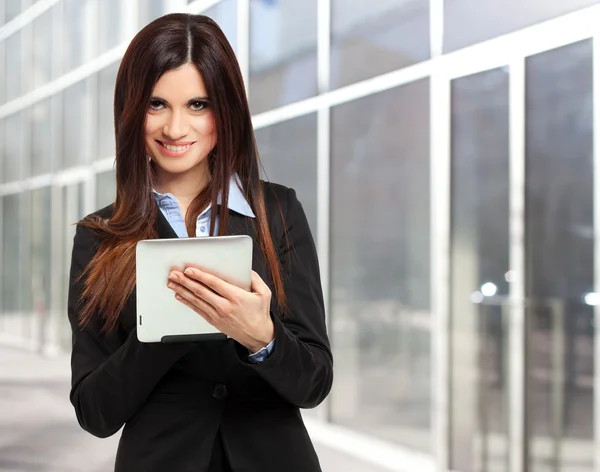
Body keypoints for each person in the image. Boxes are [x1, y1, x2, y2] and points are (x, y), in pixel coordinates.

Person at [67, 13, 333, 472]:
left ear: (225, 110)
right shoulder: (100, 236)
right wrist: (161, 331)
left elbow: (314, 383)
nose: (174, 128)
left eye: (197, 104)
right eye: (156, 104)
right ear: (131, 109)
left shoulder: (277, 212)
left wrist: (263, 338)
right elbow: (95, 411)